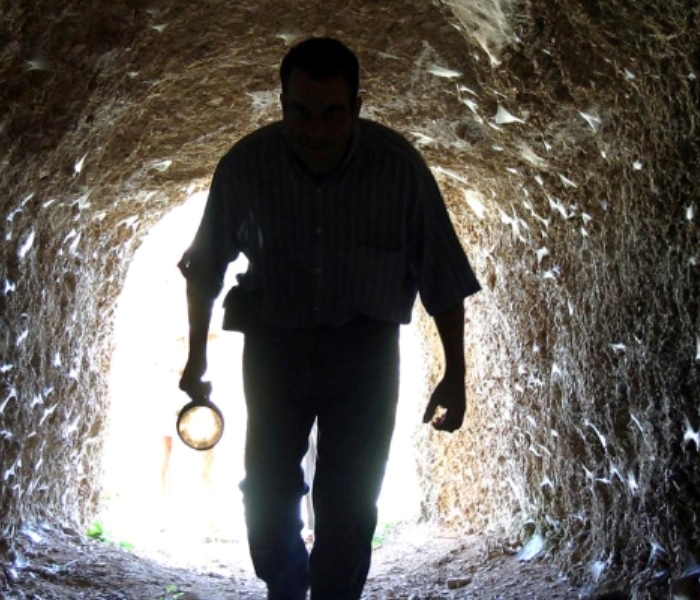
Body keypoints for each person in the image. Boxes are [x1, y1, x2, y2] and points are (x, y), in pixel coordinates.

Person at [177, 37, 480, 600]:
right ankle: (286, 586)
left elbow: (441, 271)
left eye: (331, 113)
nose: (315, 130)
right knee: (266, 490)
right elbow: (205, 265)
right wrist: (196, 360)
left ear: (357, 106)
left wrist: (455, 373)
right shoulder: (246, 166)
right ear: (281, 104)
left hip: (364, 350)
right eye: (300, 112)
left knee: (350, 500)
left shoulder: (398, 169)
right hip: (276, 345)